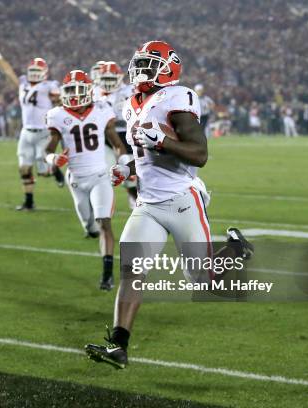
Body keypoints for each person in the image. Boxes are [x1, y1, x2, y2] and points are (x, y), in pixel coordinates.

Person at [84, 41, 253, 369]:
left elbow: (200, 154)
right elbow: (142, 154)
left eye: (149, 65)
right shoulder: (132, 103)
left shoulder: (177, 97)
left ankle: (235, 248)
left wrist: (162, 140)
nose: (140, 71)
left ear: (168, 69)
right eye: (139, 64)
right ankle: (118, 346)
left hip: (182, 200)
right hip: (147, 202)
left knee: (202, 281)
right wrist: (127, 168)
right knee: (132, 271)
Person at [45, 70, 128, 290]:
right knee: (91, 227)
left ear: (88, 90)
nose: (73, 94)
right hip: (76, 180)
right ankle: (89, 229)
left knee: (104, 222)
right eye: (69, 89)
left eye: (77, 89)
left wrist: (123, 162)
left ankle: (107, 275)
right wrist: (54, 158)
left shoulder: (102, 109)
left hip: (100, 176)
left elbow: (118, 144)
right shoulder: (57, 115)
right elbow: (49, 149)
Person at [0, 41, 65, 210]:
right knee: (23, 168)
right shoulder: (22, 83)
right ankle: (29, 202)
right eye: (32, 71)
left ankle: (55, 169)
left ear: (44, 73)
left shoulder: (49, 86)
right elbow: (7, 71)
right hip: (26, 132)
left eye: (38, 71)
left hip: (43, 133)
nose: (34, 74)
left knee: (43, 172)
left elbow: (60, 100)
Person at [95, 61, 137, 209]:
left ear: (119, 78)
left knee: (130, 176)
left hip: (127, 136)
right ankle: (103, 207)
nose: (108, 83)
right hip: (106, 137)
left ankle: (134, 197)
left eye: (111, 79)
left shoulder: (130, 91)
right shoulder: (94, 92)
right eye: (105, 80)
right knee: (106, 172)